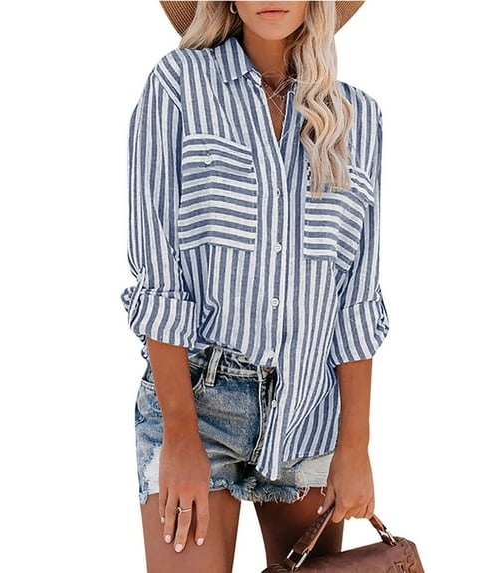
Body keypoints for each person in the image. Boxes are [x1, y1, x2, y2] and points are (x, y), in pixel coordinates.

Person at [120, 1, 390, 571]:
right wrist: (180, 434)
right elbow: (160, 276)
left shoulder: (357, 118)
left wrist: (356, 446)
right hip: (198, 400)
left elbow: (356, 300)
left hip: (309, 409)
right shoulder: (178, 86)